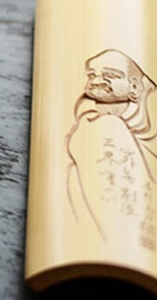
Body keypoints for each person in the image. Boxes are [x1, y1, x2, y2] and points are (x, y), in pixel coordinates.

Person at [66, 50, 157, 246]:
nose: (97, 81)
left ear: (134, 87)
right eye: (92, 75)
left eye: (110, 75)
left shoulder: (149, 121)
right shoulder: (85, 117)